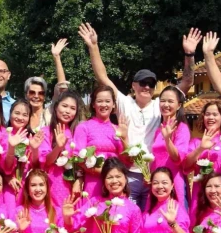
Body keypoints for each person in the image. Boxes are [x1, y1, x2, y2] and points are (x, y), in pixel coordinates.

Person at [80, 23, 200, 207]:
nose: (146, 87)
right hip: (128, 174)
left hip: (153, 176)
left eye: (151, 84)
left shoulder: (160, 105)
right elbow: (102, 77)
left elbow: (187, 81)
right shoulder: (124, 102)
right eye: (142, 83)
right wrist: (93, 46)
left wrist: (189, 55)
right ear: (133, 86)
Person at [183, 100, 221, 220]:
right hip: (201, 193)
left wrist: (220, 186)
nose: (211, 117)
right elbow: (186, 165)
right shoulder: (196, 142)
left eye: (215, 114)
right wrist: (201, 148)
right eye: (207, 114)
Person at [73, 85, 125, 200]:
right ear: (93, 104)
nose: (104, 105)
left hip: (115, 184)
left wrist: (125, 138)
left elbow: (125, 160)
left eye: (107, 101)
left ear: (113, 104)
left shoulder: (118, 129)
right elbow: (78, 158)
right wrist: (105, 173)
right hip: (93, 183)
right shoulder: (84, 127)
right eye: (99, 101)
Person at [37, 90, 84, 207]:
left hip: (74, 186)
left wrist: (80, 180)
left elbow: (82, 162)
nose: (68, 111)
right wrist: (58, 147)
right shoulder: (45, 132)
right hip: (52, 183)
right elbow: (46, 161)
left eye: (73, 108)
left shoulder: (78, 132)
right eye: (64, 106)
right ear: (56, 107)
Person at [149, 86, 191, 209]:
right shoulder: (159, 129)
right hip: (158, 183)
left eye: (170, 101)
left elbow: (178, 158)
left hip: (174, 181)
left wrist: (167, 140)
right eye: (162, 101)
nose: (165, 104)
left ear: (179, 105)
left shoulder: (181, 128)